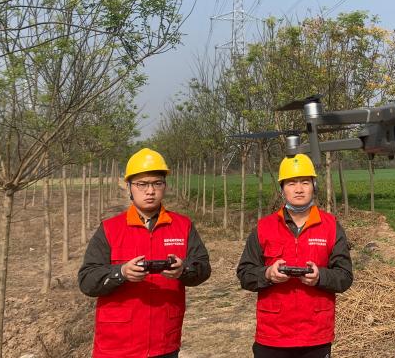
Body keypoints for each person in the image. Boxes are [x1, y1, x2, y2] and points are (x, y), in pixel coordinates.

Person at [78, 148, 210, 358]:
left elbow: (203, 268)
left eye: (157, 183)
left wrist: (183, 270)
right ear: (129, 187)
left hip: (164, 343)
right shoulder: (110, 229)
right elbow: (87, 281)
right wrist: (121, 272)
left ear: (165, 186)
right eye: (142, 184)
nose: (150, 191)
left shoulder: (183, 226)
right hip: (116, 345)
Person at [237, 154, 353, 358]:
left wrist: (320, 277)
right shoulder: (264, 227)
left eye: (305, 182)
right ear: (282, 188)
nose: (299, 189)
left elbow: (345, 276)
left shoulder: (331, 226)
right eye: (291, 183)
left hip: (315, 336)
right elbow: (245, 274)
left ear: (314, 186)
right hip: (272, 335)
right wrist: (268, 274)